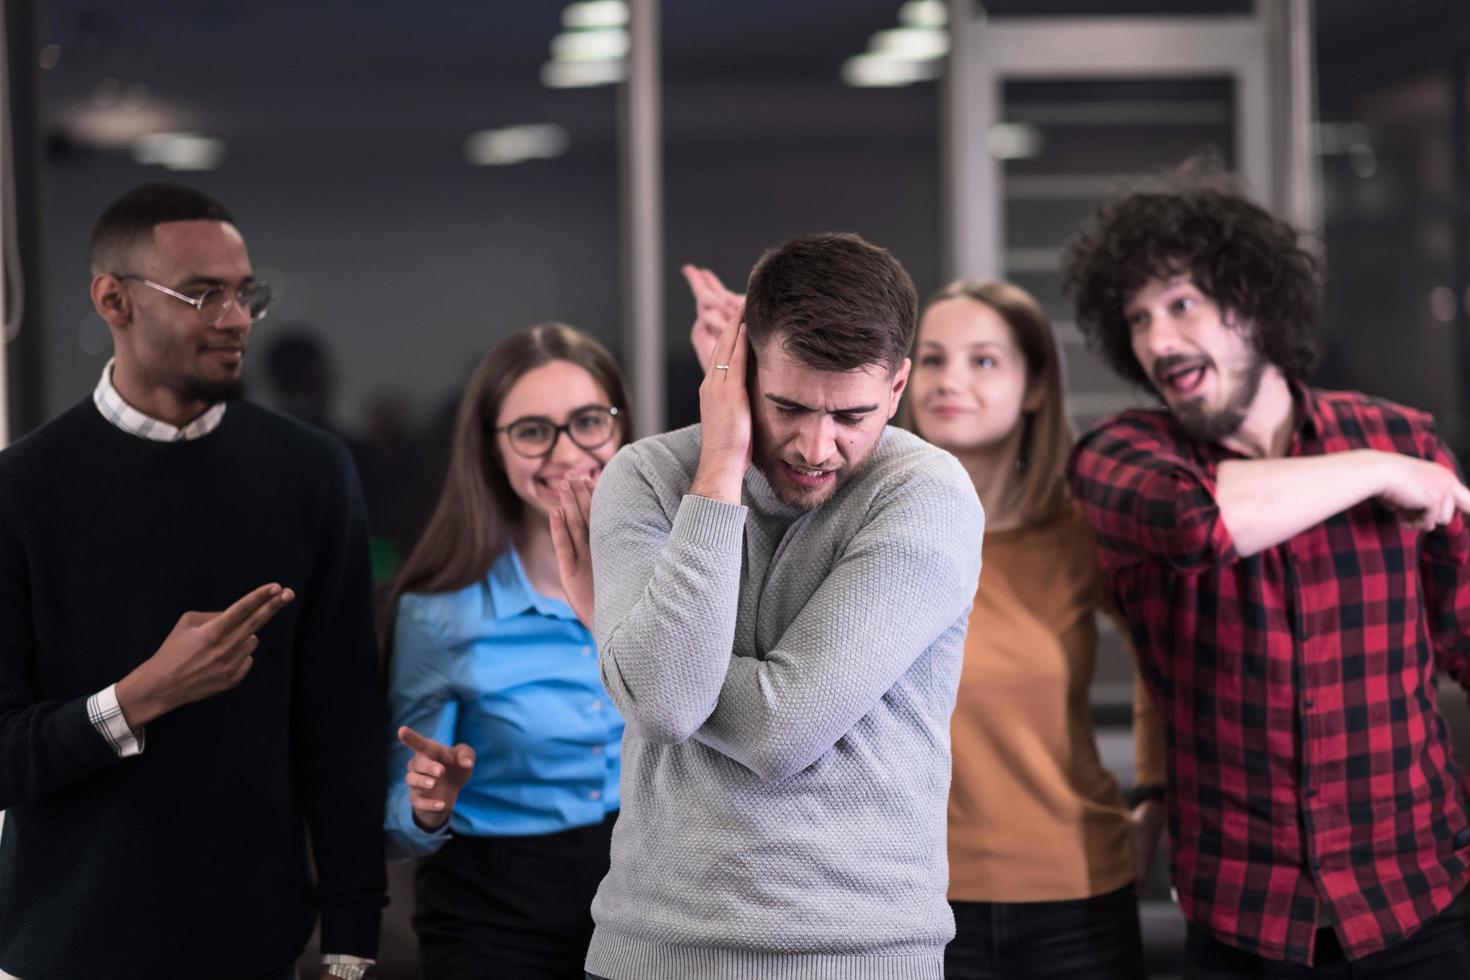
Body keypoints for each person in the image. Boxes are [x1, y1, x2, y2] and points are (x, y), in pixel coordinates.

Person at [688, 266, 1167, 979]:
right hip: (904, 896)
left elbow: (1166, 672)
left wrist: (1151, 806)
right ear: (901, 382)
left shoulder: (1078, 533)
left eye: (983, 361)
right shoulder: (849, 528)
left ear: (1035, 385)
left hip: (1076, 893)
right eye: (936, 358)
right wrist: (752, 389)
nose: (952, 380)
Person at [1064, 174, 1470, 976]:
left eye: (1182, 305)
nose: (1158, 340)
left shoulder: (1399, 437)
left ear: (1250, 302)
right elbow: (1196, 522)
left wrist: (1387, 460)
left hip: (1415, 900)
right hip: (1244, 922)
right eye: (1138, 320)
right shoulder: (1120, 456)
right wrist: (1373, 472)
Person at [0, 183, 386, 980]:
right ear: (114, 300)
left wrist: (352, 941)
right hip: (64, 951)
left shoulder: (310, 473)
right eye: (203, 293)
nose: (236, 318)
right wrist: (138, 697)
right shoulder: (21, 489)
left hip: (254, 946)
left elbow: (342, 722)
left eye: (245, 293)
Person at [583, 233, 984, 980]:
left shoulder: (927, 494)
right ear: (738, 373)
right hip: (648, 948)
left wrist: (626, 650)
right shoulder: (645, 478)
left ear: (897, 388)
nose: (814, 445)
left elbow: (778, 729)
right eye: (788, 407)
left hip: (862, 956)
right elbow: (669, 704)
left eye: (851, 416)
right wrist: (720, 468)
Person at [384, 323, 630, 979]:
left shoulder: (677, 579)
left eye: (587, 422)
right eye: (532, 431)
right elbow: (395, 823)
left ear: (622, 427)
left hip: (650, 895)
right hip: (496, 912)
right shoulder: (440, 615)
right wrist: (426, 807)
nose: (567, 451)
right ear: (492, 450)